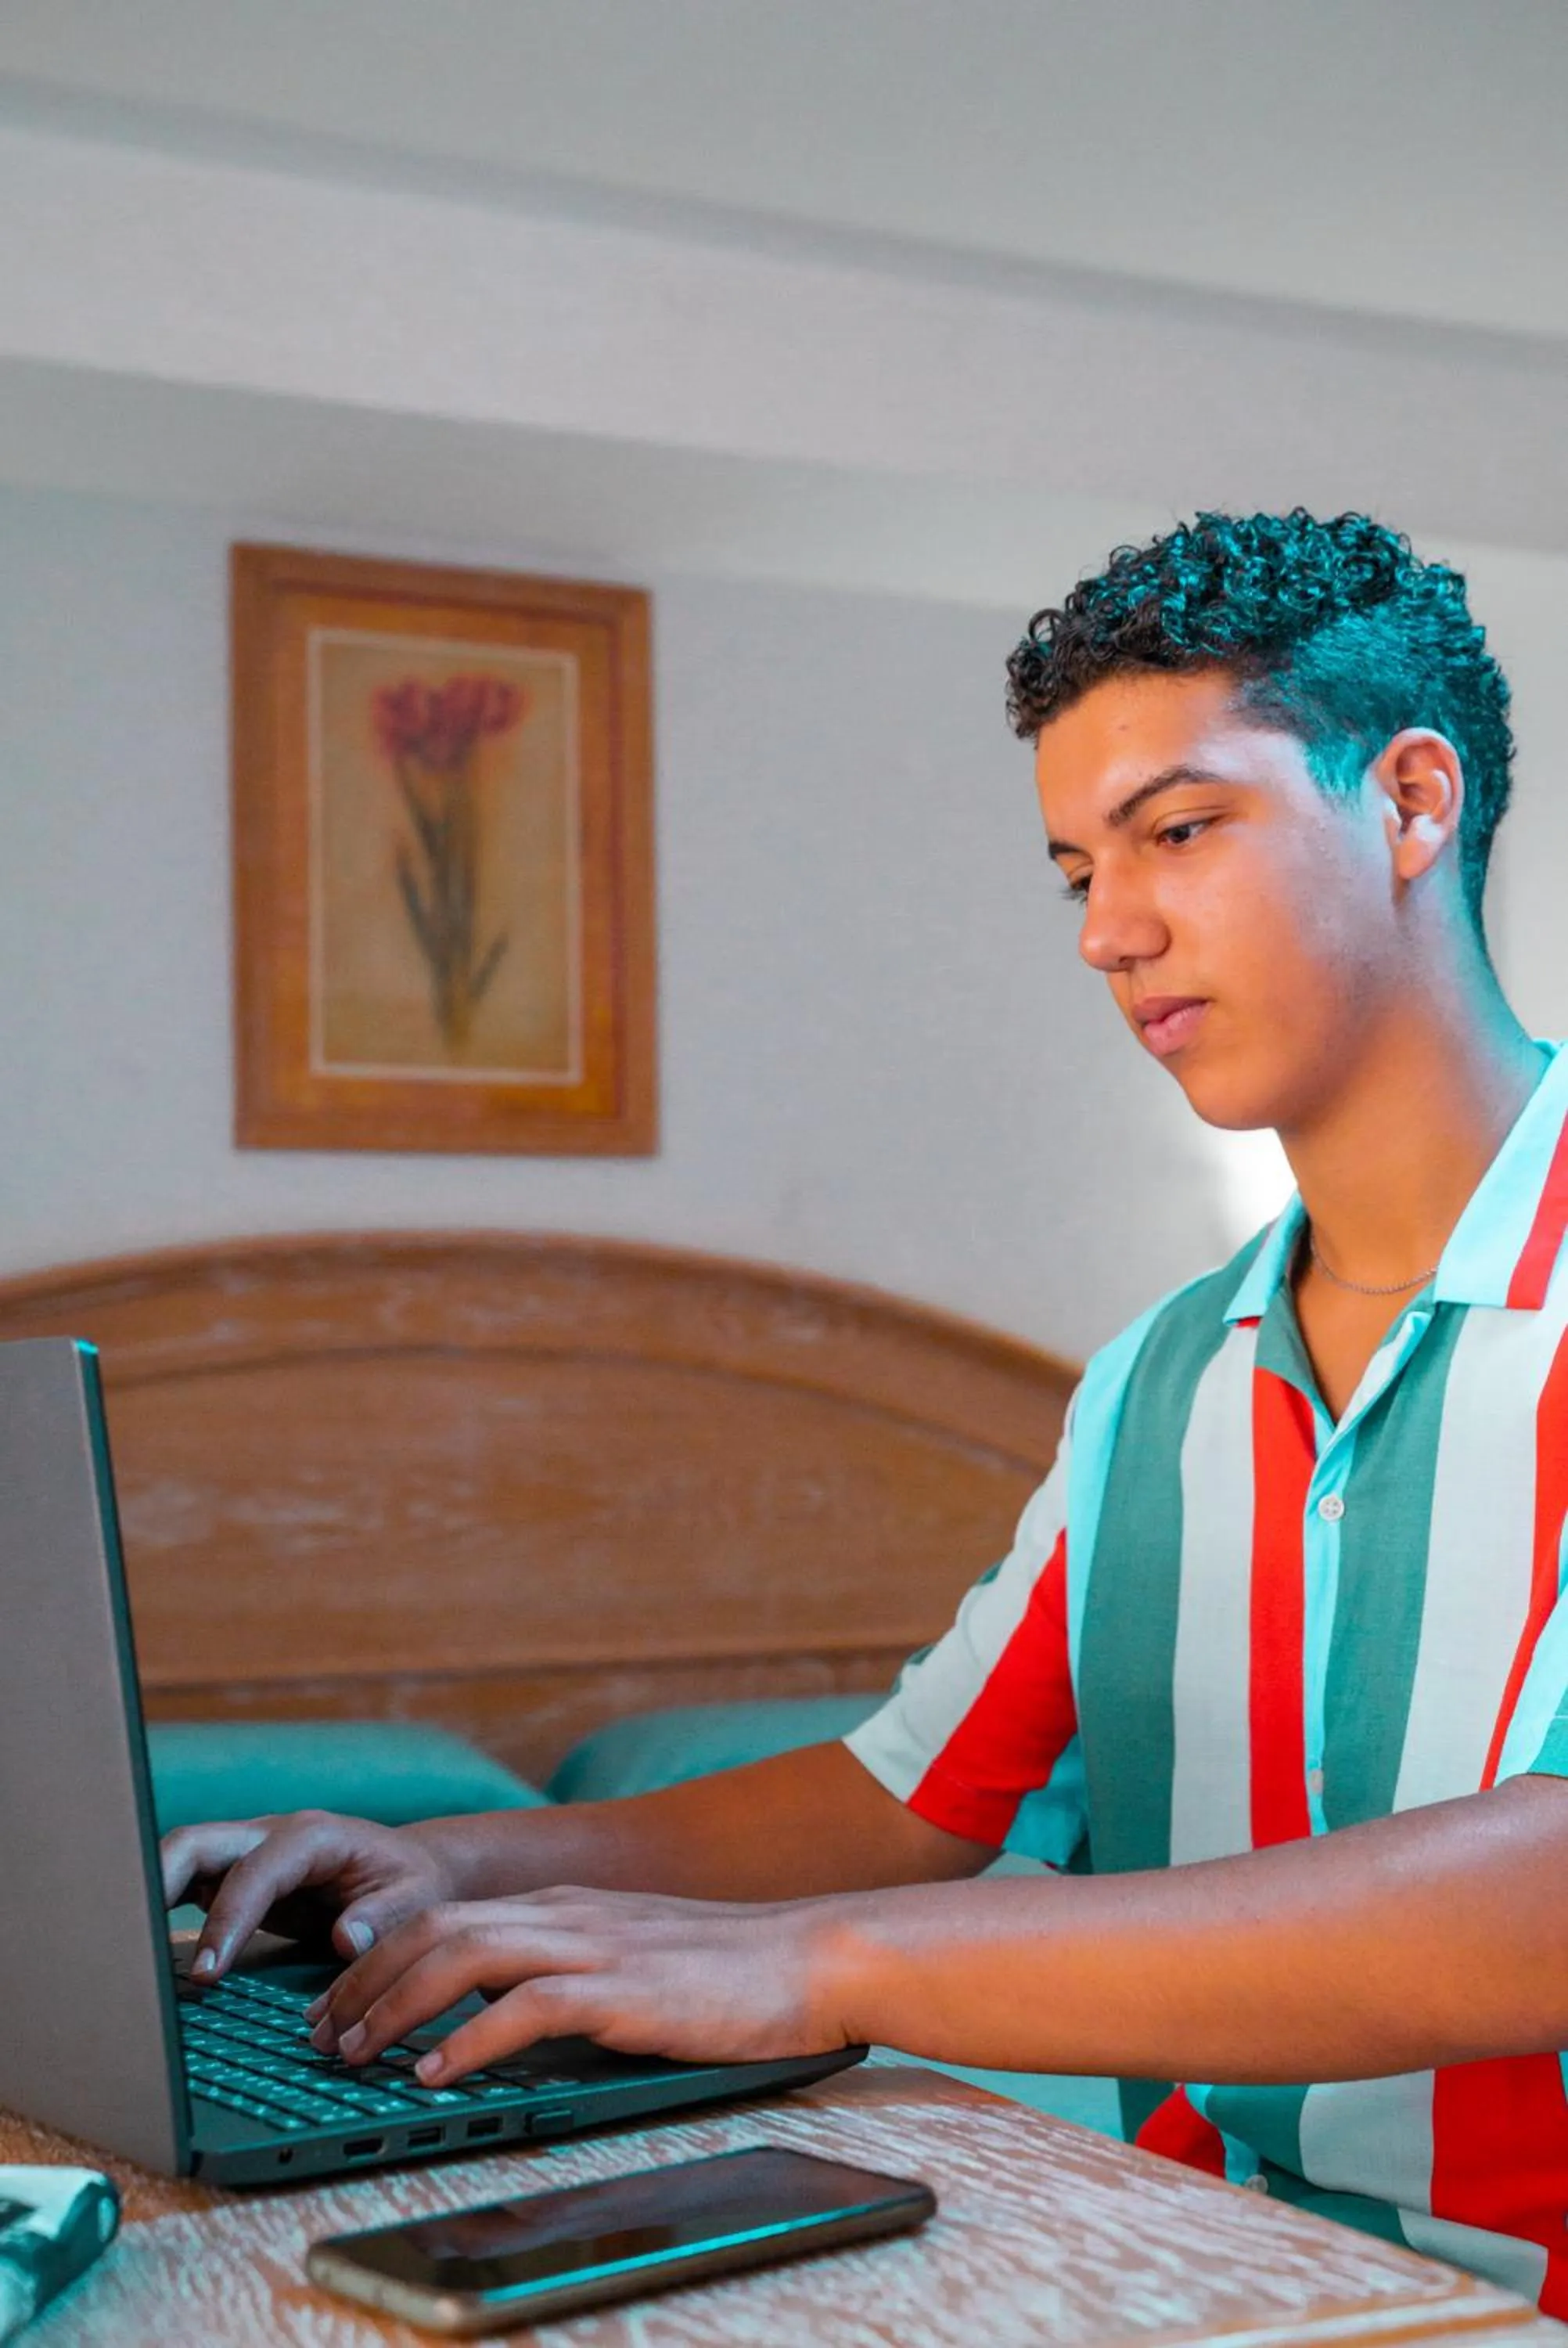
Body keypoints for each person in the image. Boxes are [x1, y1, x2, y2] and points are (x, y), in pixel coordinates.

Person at [164, 510, 1568, 2307]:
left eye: (1179, 831)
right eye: (1076, 872)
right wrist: (443, 1867)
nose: (1110, 933)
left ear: (1414, 802)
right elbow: (909, 1796)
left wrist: (820, 1966)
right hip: (1205, 2274)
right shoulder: (1164, 1378)